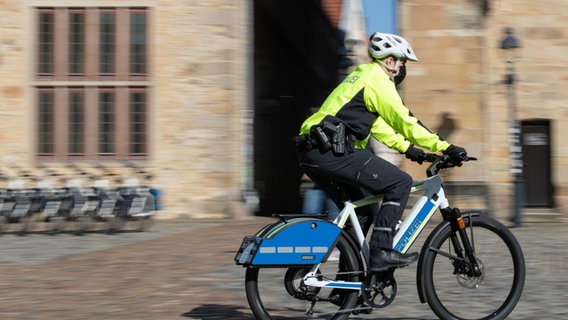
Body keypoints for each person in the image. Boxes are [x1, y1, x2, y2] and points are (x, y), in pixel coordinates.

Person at [294, 32, 467, 272]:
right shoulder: (378, 81)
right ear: (389, 61)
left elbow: (379, 127)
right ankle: (381, 253)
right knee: (400, 183)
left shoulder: (361, 77)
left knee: (364, 212)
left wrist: (411, 150)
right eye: (402, 61)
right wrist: (445, 146)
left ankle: (346, 289)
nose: (403, 67)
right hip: (332, 153)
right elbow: (405, 120)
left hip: (316, 153)